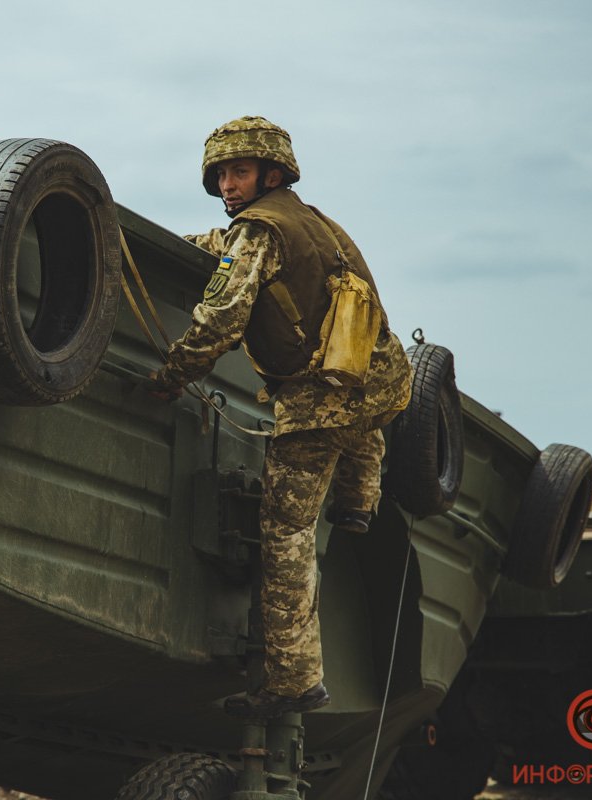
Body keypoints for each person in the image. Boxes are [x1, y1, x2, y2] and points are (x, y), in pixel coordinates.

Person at [149, 116, 412, 718]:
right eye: (220, 176)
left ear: (270, 174)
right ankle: (356, 503)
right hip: (380, 379)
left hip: (320, 402)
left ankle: (294, 681)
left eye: (238, 172)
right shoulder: (316, 221)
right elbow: (245, 249)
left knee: (286, 532)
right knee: (362, 433)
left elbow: (218, 321)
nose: (227, 186)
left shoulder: (262, 232)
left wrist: (171, 377)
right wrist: (201, 243)